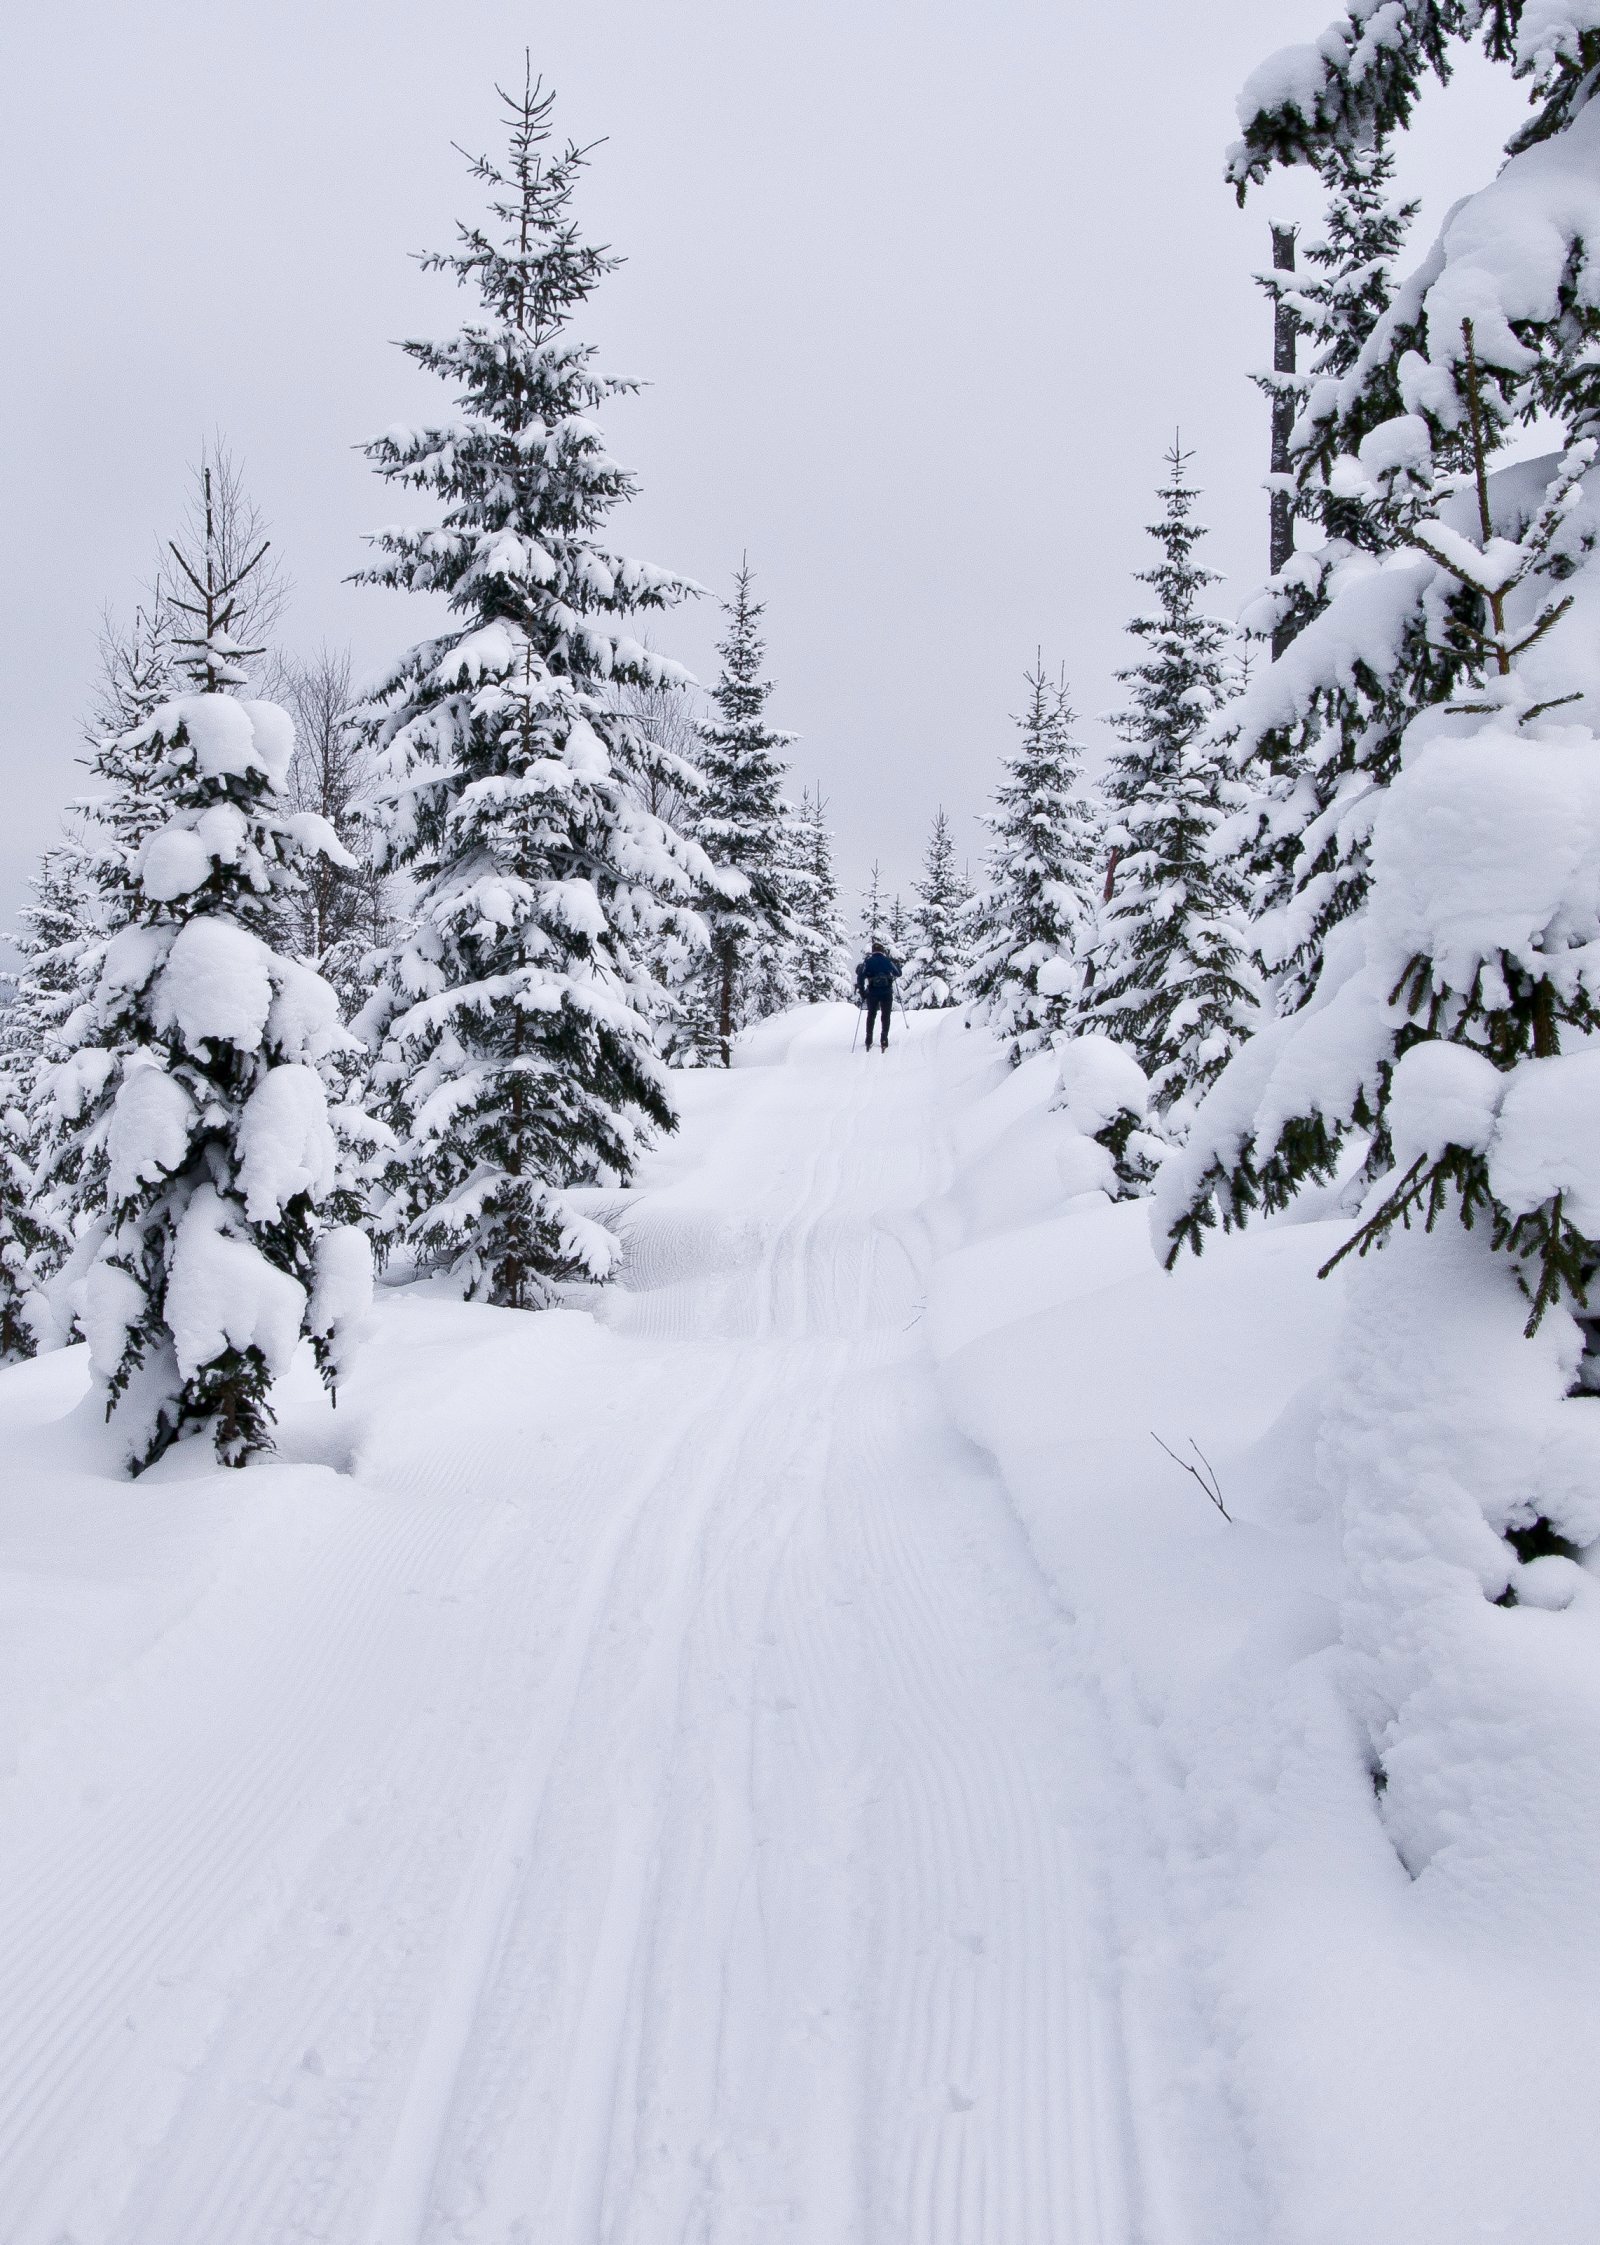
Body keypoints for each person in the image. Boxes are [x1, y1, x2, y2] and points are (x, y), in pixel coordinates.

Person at [855, 936, 902, 1051]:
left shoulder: (867, 962)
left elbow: (860, 977)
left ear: (873, 951)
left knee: (871, 1015)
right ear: (882, 951)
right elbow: (898, 973)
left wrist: (862, 992)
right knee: (886, 1016)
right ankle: (884, 1039)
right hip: (886, 992)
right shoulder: (887, 961)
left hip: (872, 992)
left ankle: (868, 1039)